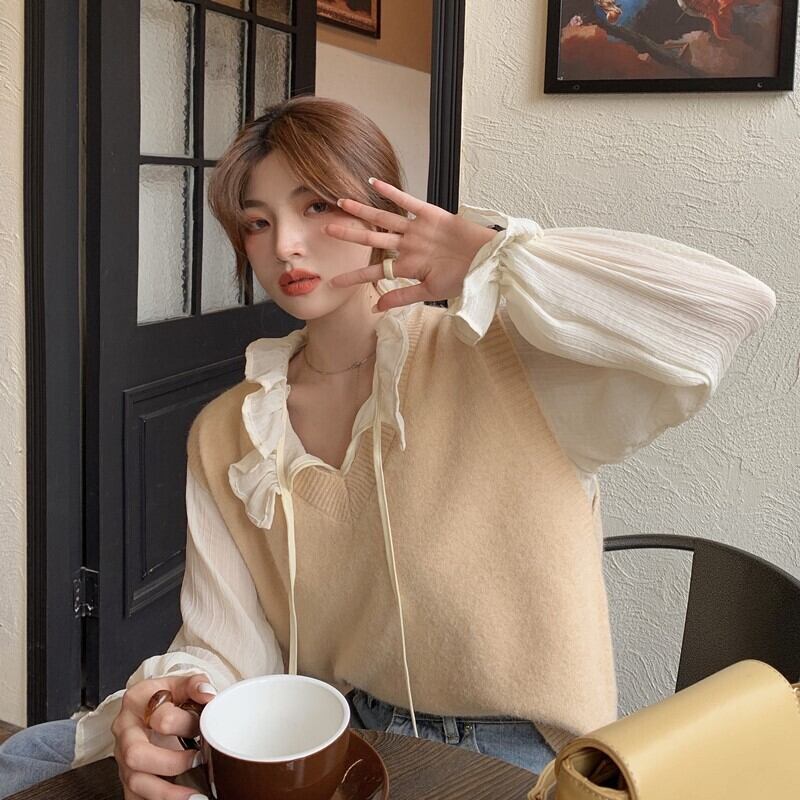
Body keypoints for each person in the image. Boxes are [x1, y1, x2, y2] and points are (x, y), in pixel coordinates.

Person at [0, 95, 776, 800]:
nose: (285, 245)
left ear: (382, 209)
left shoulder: (504, 356)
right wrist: (176, 704)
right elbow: (228, 647)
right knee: (30, 758)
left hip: (523, 755)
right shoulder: (229, 431)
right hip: (339, 734)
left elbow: (725, 310)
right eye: (258, 221)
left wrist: (492, 258)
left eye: (315, 205)